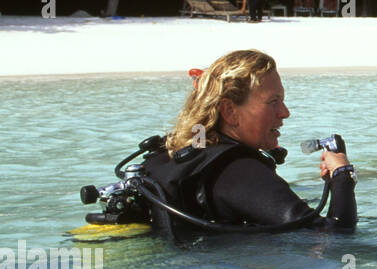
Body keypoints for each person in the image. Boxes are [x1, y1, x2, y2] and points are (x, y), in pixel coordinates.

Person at [141, 50, 356, 233]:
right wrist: (342, 176)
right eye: (273, 101)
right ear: (230, 111)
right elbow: (333, 239)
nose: (285, 112)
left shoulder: (179, 152)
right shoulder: (239, 172)